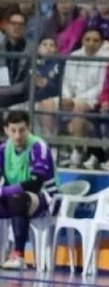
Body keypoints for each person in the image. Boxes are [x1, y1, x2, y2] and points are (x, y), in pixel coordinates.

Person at [0, 111, 56, 270]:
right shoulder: (3, 150)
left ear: (29, 128)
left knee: (18, 199)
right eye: (13, 130)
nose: (18, 135)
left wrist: (3, 192)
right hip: (15, 197)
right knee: (15, 198)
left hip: (45, 198)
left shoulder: (38, 146)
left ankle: (18, 256)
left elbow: (35, 183)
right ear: (6, 130)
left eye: (22, 130)